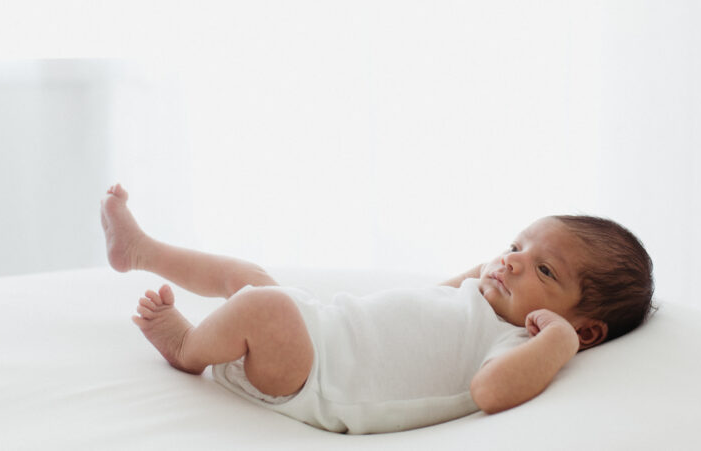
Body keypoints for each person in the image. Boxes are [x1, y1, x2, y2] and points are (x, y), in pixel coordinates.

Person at [100, 183, 654, 434]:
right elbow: (431, 299)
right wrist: (494, 269)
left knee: (264, 306)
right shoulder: (481, 295)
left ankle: (187, 347)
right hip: (320, 324)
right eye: (515, 247)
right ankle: (143, 251)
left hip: (315, 383)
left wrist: (555, 342)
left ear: (587, 329)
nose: (510, 264)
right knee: (249, 281)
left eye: (545, 270)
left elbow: (491, 393)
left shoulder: (515, 344)